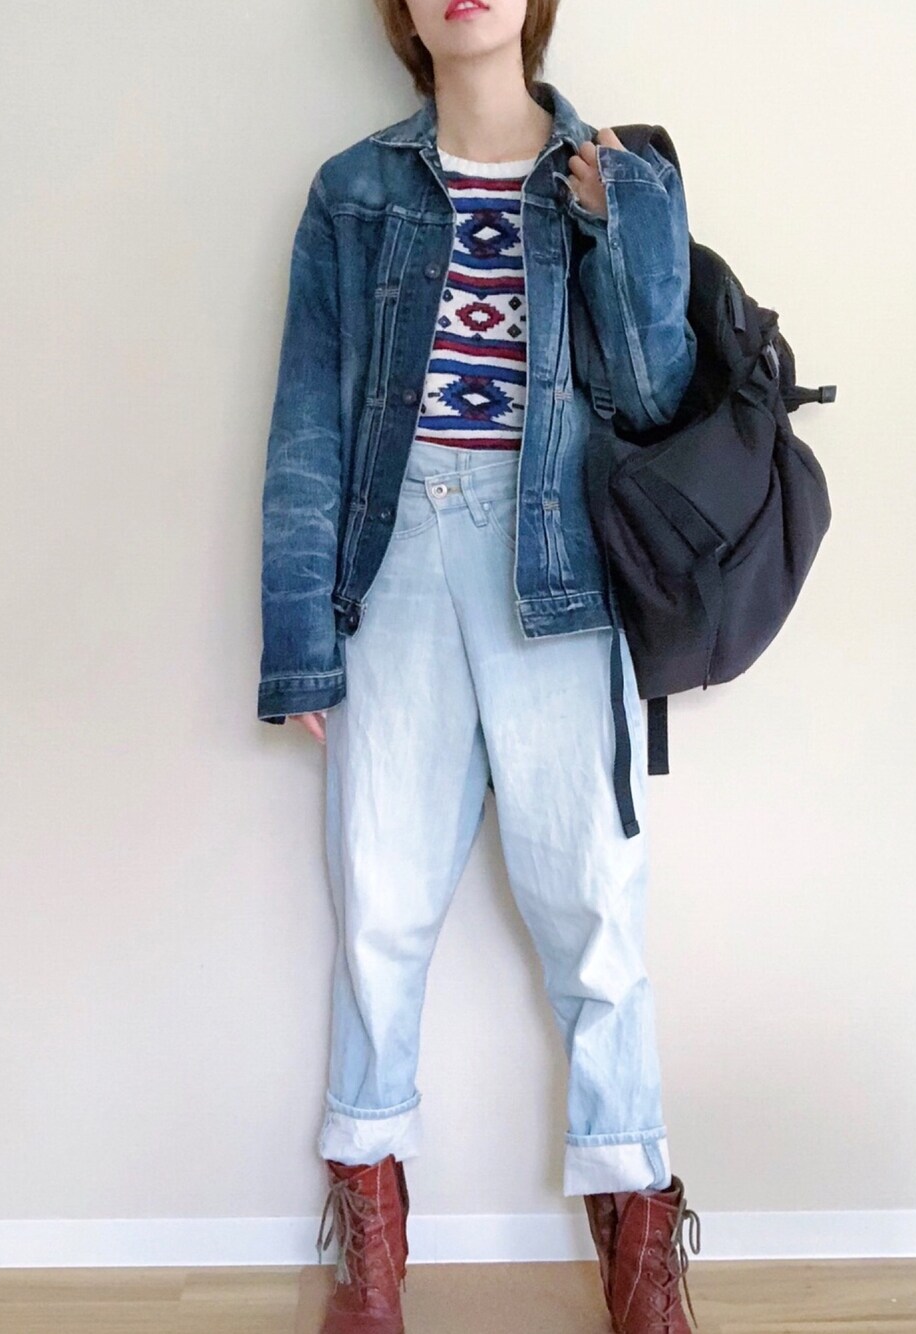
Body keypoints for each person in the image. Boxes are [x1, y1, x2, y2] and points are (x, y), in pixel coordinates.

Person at [257, 2, 702, 1329]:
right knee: (378, 908)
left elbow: (657, 393)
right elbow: (308, 422)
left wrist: (621, 222)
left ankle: (638, 1243)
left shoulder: (623, 174)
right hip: (391, 564)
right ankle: (371, 1242)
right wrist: (301, 642)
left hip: (562, 566)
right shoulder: (352, 191)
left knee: (595, 914)